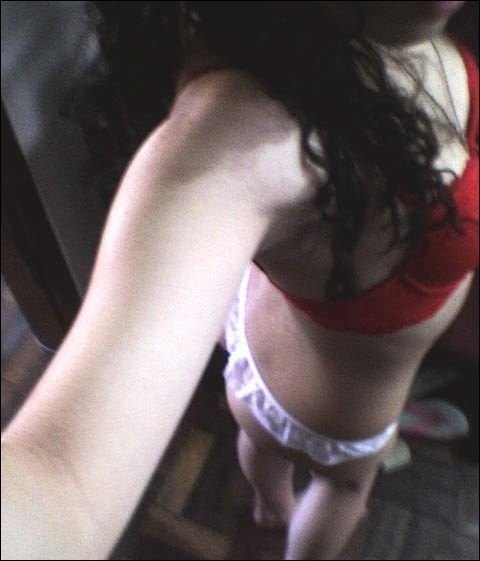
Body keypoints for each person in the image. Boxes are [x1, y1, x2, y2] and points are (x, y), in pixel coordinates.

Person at [1, 1, 478, 559]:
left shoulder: (267, 39)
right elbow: (63, 478)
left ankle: (269, 507)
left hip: (255, 367)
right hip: (340, 417)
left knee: (262, 442)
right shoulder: (245, 132)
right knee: (344, 491)